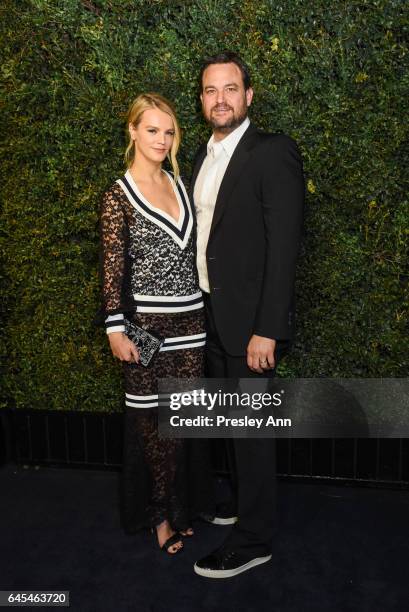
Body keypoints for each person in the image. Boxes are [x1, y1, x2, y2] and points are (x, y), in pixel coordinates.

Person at [191, 52, 305, 577]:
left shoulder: (272, 152)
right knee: (229, 423)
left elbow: (284, 249)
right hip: (212, 315)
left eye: (231, 89)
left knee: (251, 433)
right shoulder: (201, 155)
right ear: (202, 100)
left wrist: (269, 330)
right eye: (211, 91)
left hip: (250, 326)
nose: (221, 99)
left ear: (249, 96)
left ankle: (254, 540)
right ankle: (240, 505)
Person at [99, 93, 213, 554]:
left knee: (181, 424)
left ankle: (178, 507)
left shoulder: (182, 185)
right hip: (144, 328)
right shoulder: (117, 196)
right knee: (150, 427)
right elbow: (111, 268)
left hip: (192, 323)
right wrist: (114, 327)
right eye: (152, 130)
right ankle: (160, 516)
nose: (162, 140)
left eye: (168, 132)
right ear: (132, 131)